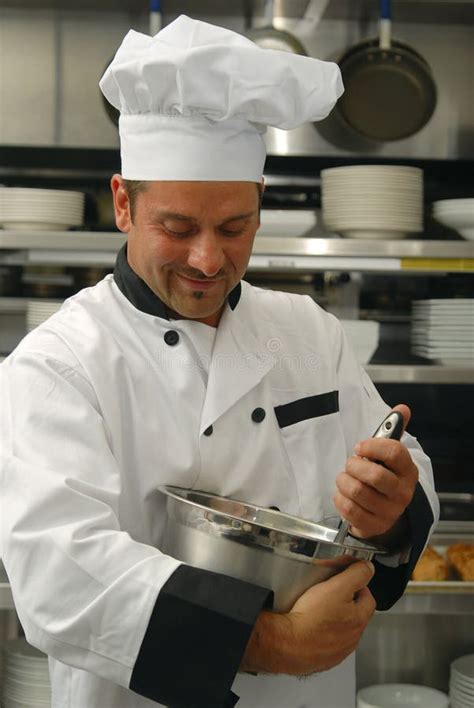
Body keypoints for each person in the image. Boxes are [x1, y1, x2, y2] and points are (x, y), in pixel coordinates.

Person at [0, 15, 439, 708]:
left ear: (260, 207)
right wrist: (276, 642)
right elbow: (61, 576)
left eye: (234, 227)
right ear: (123, 204)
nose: (209, 260)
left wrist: (390, 509)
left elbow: (401, 458)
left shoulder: (307, 331)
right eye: (177, 227)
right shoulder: (59, 364)